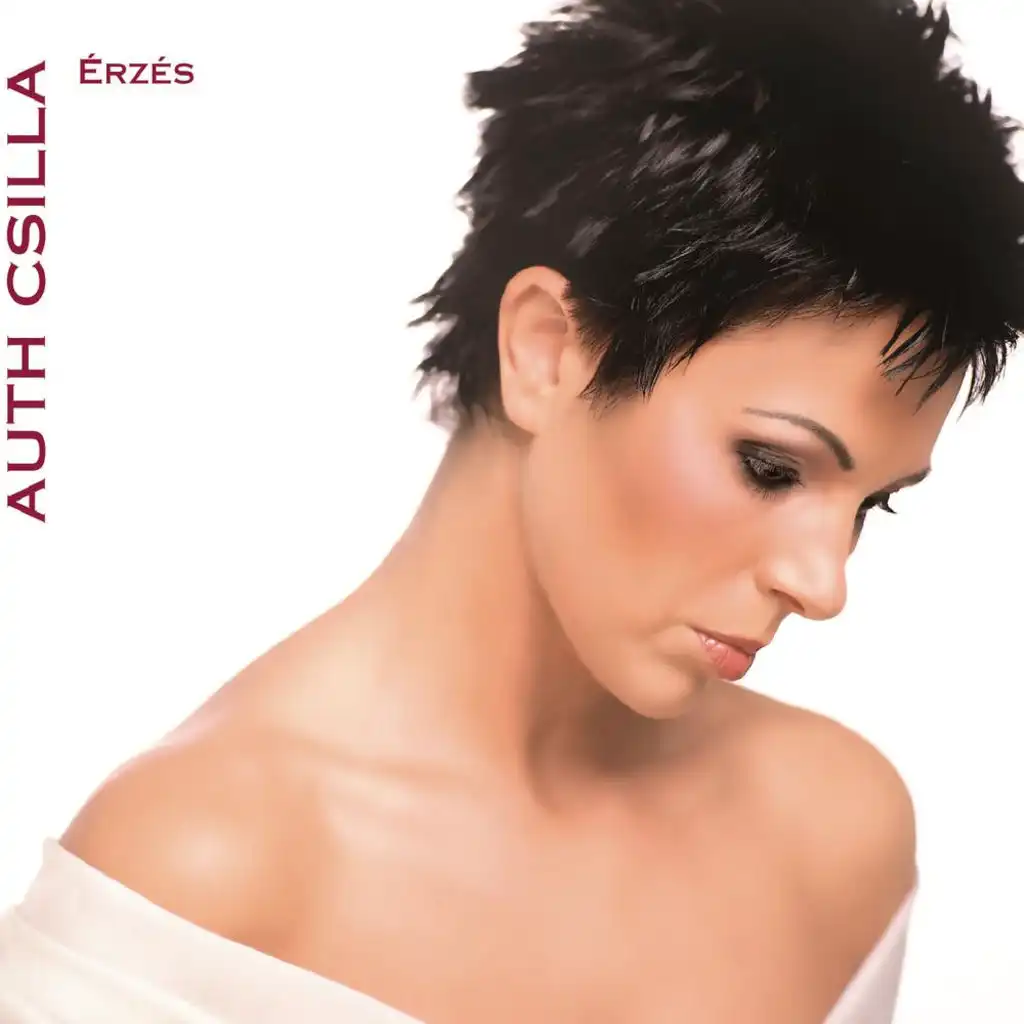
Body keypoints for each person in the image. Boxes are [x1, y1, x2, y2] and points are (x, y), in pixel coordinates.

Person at [2, 0, 1022, 1021]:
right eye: (770, 468)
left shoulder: (834, 833)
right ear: (546, 348)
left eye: (871, 504)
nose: (823, 583)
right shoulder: (194, 879)